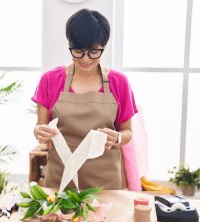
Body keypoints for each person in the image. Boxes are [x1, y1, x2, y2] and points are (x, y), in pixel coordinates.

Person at [32, 9, 138, 190]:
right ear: (70, 45)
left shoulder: (119, 82)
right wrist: (40, 132)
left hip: (105, 185)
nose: (86, 59)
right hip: (60, 183)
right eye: (78, 51)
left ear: (103, 46)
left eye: (94, 52)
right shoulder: (50, 80)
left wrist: (118, 138)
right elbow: (41, 132)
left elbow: (127, 132)